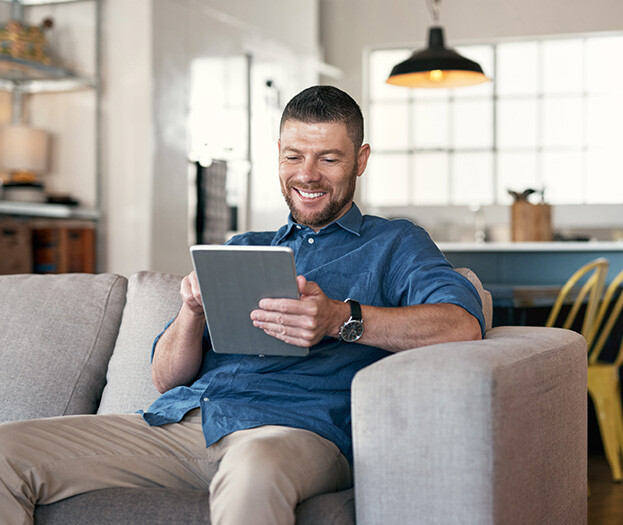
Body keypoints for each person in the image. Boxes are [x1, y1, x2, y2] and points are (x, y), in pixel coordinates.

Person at [0, 85, 484, 525]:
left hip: (294, 432)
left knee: (254, 468)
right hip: (186, 421)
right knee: (6, 449)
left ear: (360, 160)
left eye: (329, 159)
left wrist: (340, 318)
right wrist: (191, 312)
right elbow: (165, 379)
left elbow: (461, 326)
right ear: (277, 155)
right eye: (294, 156)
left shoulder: (395, 243)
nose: (307, 175)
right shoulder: (241, 247)